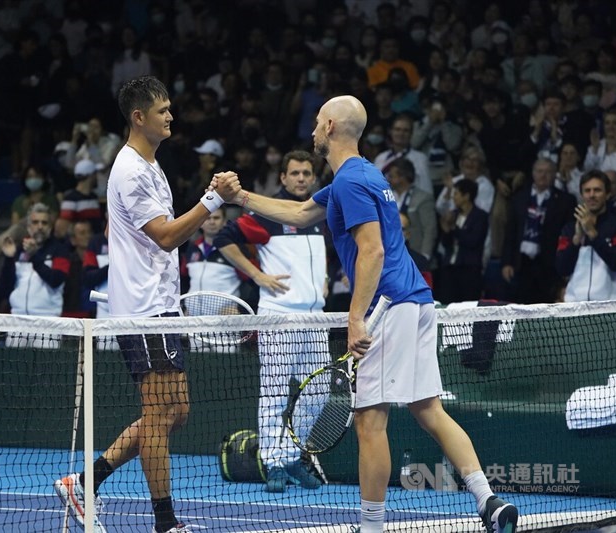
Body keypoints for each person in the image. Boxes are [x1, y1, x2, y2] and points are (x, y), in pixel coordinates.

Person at [215, 94, 518, 533]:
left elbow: (371, 250)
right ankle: (488, 501)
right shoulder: (361, 175)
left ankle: (371, 527)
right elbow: (300, 213)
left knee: (369, 421)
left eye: (319, 123)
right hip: (416, 299)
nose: (314, 130)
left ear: (333, 126)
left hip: (388, 305)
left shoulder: (351, 182)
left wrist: (356, 317)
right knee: (428, 409)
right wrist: (240, 196)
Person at [53, 76, 239, 533]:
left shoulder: (151, 165)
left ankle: (84, 481)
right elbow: (168, 235)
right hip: (142, 311)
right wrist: (213, 199)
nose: (171, 116)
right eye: (163, 110)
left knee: (177, 412)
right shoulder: (131, 171)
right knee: (159, 415)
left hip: (161, 305)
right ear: (139, 117)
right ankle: (165, 523)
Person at [214, 149, 329, 493]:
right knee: (275, 393)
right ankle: (275, 464)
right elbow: (223, 239)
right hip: (279, 317)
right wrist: (256, 275)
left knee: (319, 391)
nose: (301, 179)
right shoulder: (268, 214)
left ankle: (292, 453)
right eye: (294, 173)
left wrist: (322, 280)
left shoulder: (320, 212)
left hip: (315, 318)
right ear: (282, 178)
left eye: (306, 174)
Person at [501, 157, 575, 303]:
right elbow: (510, 233)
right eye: (540, 171)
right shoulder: (519, 198)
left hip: (549, 265)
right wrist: (506, 262)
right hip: (522, 264)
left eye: (548, 172)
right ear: (533, 173)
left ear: (554, 175)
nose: (543, 175)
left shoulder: (565, 201)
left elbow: (568, 235)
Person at [556, 170, 616, 302]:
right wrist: (576, 240)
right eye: (587, 191)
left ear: (608, 194)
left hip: (612, 307)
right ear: (582, 195)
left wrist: (592, 234)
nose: (592, 195)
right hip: (576, 307)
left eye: (597, 190)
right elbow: (562, 269)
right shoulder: (570, 228)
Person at [437, 179, 489, 304]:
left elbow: (473, 241)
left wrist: (454, 229)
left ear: (466, 196)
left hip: (469, 271)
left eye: (456, 194)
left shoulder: (480, 217)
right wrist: (446, 230)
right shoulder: (453, 215)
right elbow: (445, 243)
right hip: (450, 269)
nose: (453, 197)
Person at [55, 159, 104, 239]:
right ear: (90, 176)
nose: (96, 177)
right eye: (95, 174)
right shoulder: (70, 199)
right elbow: (63, 228)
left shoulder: (94, 197)